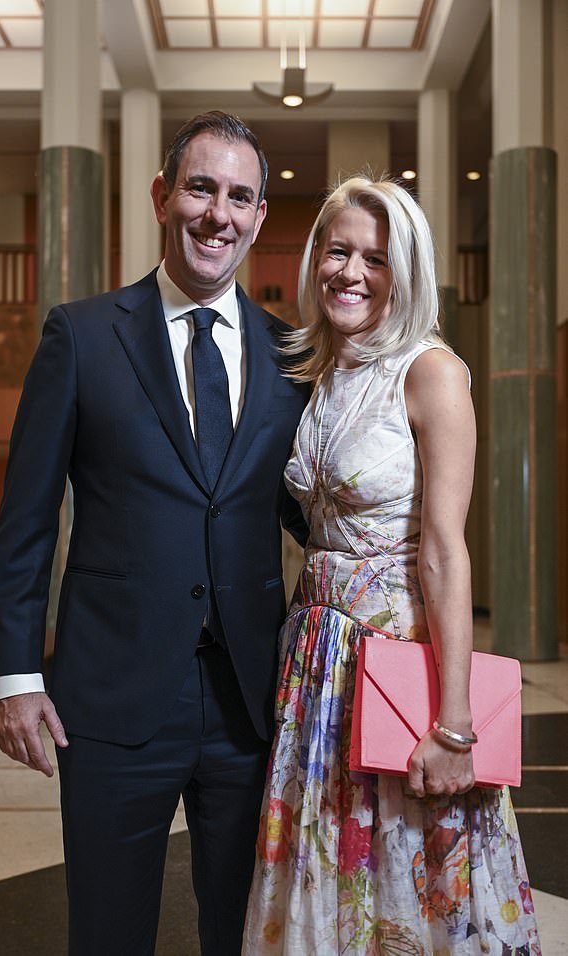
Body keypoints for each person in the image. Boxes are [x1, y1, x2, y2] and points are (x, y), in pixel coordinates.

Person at [0, 110, 309, 956]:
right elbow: (24, 524)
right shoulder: (83, 336)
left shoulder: (291, 356)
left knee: (243, 931)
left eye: (241, 197)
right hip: (112, 698)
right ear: (164, 196)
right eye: (202, 188)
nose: (219, 215)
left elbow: (317, 514)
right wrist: (15, 678)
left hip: (251, 704)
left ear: (261, 217)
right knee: (109, 931)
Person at [243, 175, 540, 954]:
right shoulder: (316, 372)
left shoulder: (431, 372)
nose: (351, 272)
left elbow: (445, 550)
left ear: (405, 271)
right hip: (316, 670)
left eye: (375, 259)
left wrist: (454, 725)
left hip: (397, 666)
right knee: (329, 879)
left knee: (410, 887)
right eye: (337, 252)